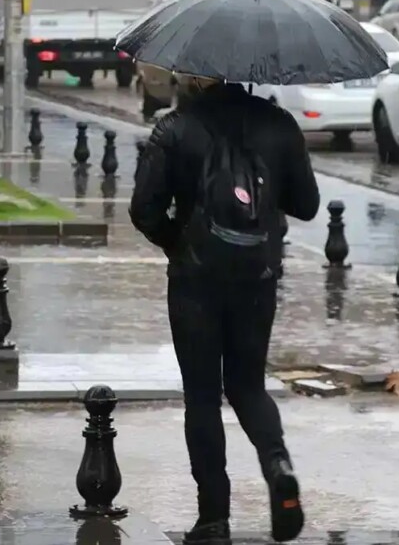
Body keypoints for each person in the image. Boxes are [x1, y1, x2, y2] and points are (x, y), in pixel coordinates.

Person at [129, 77, 320, 544]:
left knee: (202, 395)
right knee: (248, 385)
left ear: (190, 75)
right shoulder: (277, 124)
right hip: (256, 278)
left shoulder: (175, 129)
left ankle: (213, 518)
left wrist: (178, 240)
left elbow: (143, 209)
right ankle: (277, 465)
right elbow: (308, 205)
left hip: (195, 283)